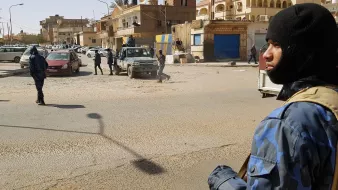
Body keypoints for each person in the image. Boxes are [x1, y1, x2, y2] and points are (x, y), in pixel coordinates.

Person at [208, 3, 338, 189]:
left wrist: (224, 182)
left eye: (277, 45)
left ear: (302, 52)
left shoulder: (287, 124)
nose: (266, 54)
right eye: (267, 44)